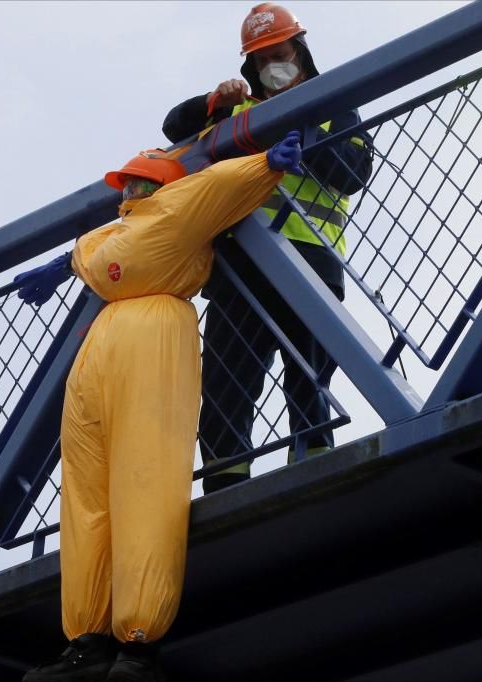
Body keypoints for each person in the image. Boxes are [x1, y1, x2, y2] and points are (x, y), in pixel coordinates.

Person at [15, 134, 303, 682]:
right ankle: (87, 639)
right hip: (97, 358)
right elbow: (85, 247)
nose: (135, 188)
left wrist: (264, 164)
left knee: (144, 483)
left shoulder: (175, 211)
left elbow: (217, 188)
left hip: (153, 344)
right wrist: (53, 270)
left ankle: (139, 642)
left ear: (162, 184)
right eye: (131, 182)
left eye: (142, 180)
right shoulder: (120, 228)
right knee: (86, 499)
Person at [162, 3, 374, 494]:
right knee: (227, 383)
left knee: (311, 376)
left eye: (280, 54)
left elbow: (354, 175)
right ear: (250, 67)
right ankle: (225, 482)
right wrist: (216, 99)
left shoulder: (331, 103)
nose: (273, 65)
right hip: (241, 262)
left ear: (299, 51)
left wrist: (299, 133)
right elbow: (175, 125)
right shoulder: (238, 110)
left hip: (312, 258)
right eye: (262, 60)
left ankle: (316, 467)